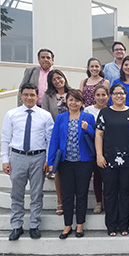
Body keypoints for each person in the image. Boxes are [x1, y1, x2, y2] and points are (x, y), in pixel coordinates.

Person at [1, 83, 54, 241]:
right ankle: (16, 225)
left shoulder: (45, 115)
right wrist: (5, 160)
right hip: (17, 157)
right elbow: (5, 138)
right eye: (26, 94)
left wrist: (47, 159)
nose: (29, 98)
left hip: (38, 158)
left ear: (37, 96)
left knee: (37, 193)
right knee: (16, 193)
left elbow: (50, 140)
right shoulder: (11, 114)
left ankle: (34, 225)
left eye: (32, 95)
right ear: (21, 96)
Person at [47, 89, 95, 239]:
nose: (74, 103)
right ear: (66, 102)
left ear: (82, 102)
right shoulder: (61, 118)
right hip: (65, 162)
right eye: (71, 100)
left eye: (77, 100)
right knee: (67, 194)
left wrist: (89, 128)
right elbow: (54, 140)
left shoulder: (89, 117)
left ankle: (80, 224)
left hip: (84, 162)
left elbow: (96, 137)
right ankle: (67, 224)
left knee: (81, 194)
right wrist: (50, 161)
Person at [95, 84, 129, 236]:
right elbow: (99, 134)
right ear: (111, 95)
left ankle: (124, 225)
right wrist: (99, 155)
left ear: (126, 95)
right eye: (116, 93)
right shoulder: (105, 112)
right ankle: (111, 226)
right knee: (110, 192)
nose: (119, 96)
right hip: (108, 160)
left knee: (126, 193)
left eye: (122, 93)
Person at [42, 69, 72, 215]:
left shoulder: (72, 92)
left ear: (64, 78)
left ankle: (71, 201)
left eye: (59, 78)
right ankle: (60, 201)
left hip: (73, 134)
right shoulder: (48, 96)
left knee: (72, 169)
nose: (57, 81)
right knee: (59, 169)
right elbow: (46, 115)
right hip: (57, 134)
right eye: (54, 80)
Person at [84, 84, 110, 214]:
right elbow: (85, 130)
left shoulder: (111, 110)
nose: (101, 98)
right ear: (93, 96)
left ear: (108, 96)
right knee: (97, 175)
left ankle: (109, 201)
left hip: (109, 146)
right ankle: (99, 202)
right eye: (98, 95)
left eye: (103, 95)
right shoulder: (88, 111)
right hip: (93, 148)